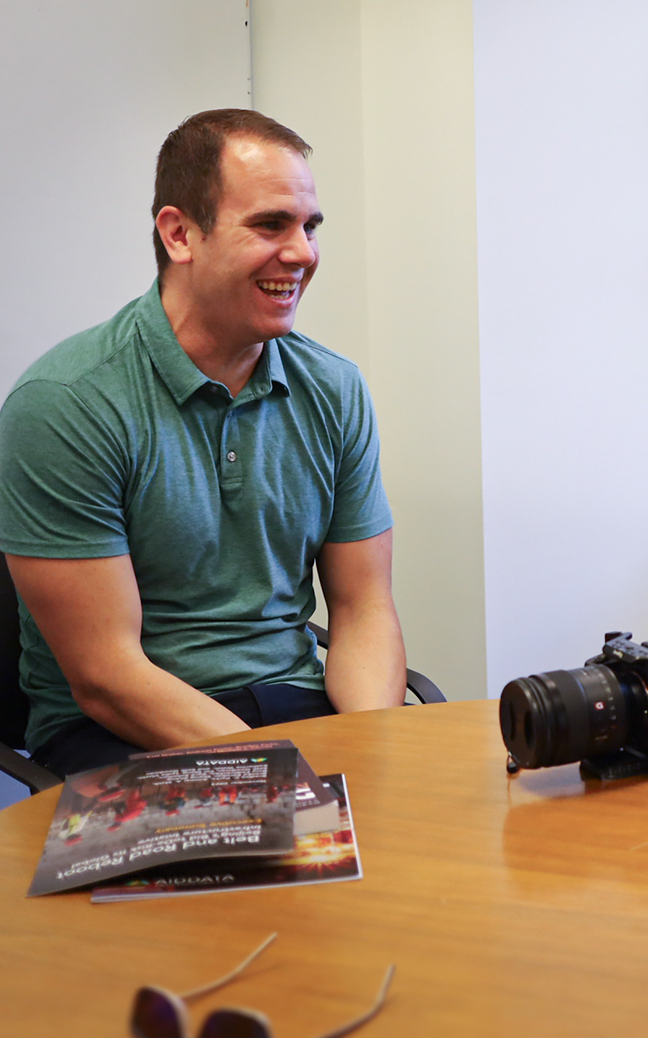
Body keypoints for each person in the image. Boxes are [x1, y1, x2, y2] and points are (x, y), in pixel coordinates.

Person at [0, 109, 406, 776]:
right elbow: (107, 677)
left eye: (309, 227)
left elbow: (363, 608)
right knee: (271, 867)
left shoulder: (335, 388)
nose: (303, 252)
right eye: (271, 224)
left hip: (291, 701)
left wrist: (369, 748)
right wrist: (288, 776)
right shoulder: (66, 403)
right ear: (180, 233)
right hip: (123, 729)